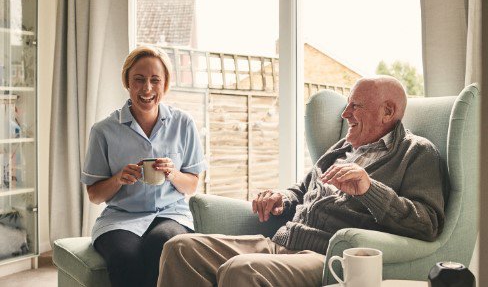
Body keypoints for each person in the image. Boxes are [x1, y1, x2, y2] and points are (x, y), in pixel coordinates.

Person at [157, 76, 448, 287]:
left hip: (327, 255)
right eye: (347, 106)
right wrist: (281, 198)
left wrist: (369, 189)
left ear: (388, 111)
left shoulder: (416, 152)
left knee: (242, 270)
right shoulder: (342, 148)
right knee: (180, 248)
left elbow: (428, 223)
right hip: (282, 242)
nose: (345, 114)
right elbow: (302, 189)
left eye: (355, 106)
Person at [81, 46, 207, 287]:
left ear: (165, 84)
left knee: (164, 244)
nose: (147, 88)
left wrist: (172, 174)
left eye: (155, 80)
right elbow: (95, 195)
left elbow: (191, 184)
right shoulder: (103, 131)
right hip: (120, 218)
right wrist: (118, 179)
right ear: (127, 82)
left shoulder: (184, 123)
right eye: (138, 80)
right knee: (123, 256)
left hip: (170, 214)